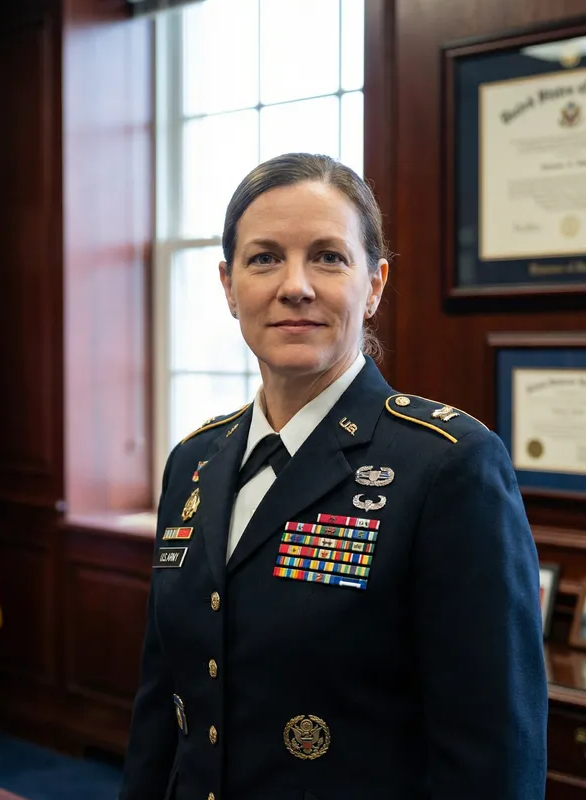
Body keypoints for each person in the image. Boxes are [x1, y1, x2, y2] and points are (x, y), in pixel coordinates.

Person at [119, 153, 547, 800]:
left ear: (373, 285)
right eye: (264, 258)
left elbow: (493, 753)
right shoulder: (195, 462)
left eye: (328, 256)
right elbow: (163, 708)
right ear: (228, 285)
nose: (296, 285)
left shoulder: (447, 465)